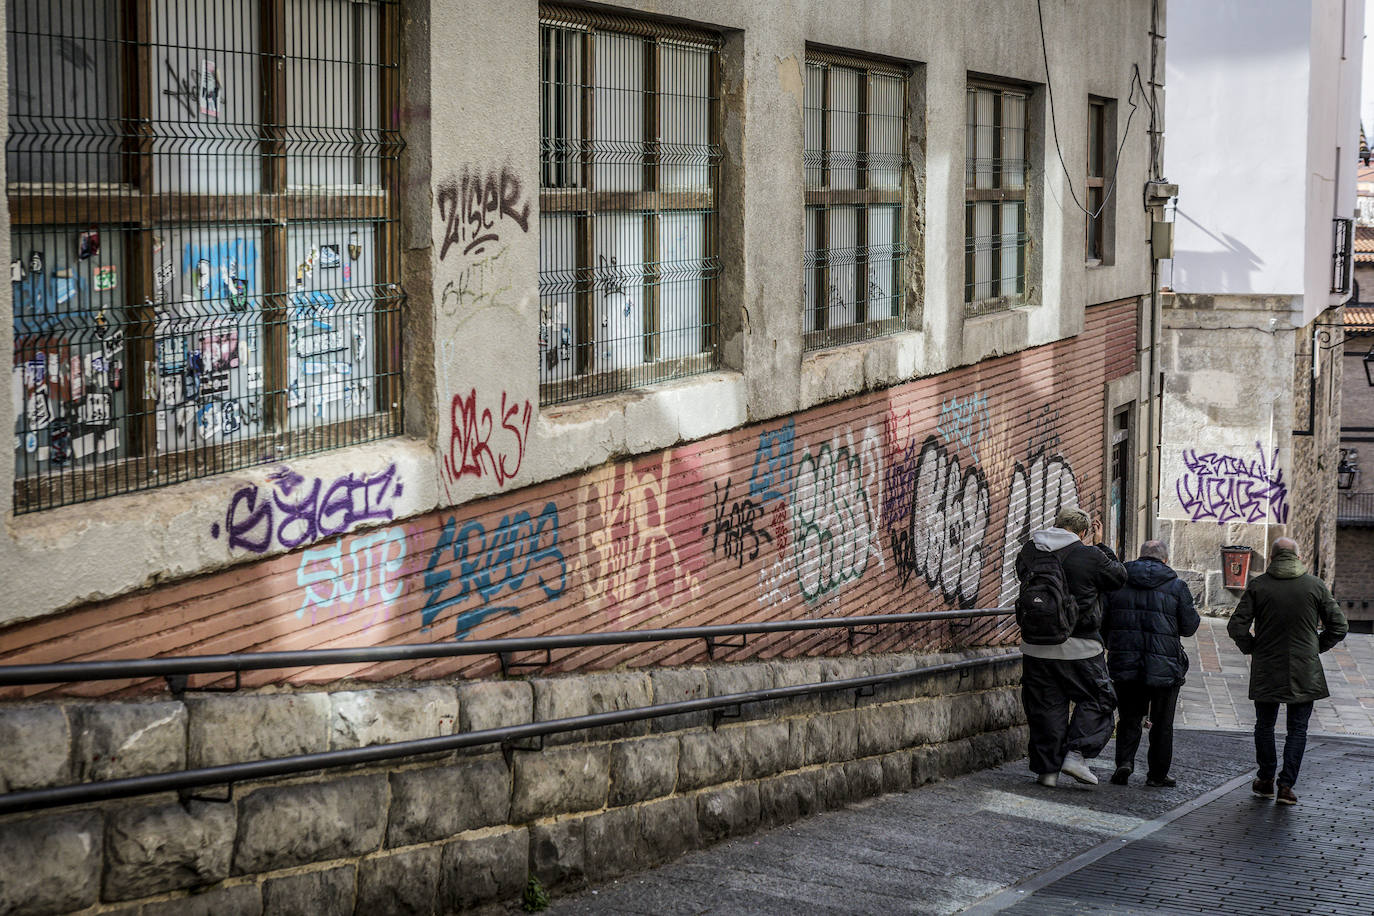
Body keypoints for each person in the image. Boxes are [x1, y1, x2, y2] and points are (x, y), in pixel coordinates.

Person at [1227, 538, 1348, 805]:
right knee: (1298, 730)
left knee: (1265, 725)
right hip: (1304, 670)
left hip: (1268, 666)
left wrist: (1252, 648)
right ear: (1298, 557)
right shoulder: (1315, 586)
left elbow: (1236, 626)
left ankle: (1266, 779)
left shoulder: (1259, 586)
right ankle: (1286, 786)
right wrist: (1315, 648)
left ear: (1271, 558)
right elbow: (1339, 627)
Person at [1016, 506, 1127, 787]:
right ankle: (1076, 755)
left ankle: (1047, 772)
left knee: (1046, 707)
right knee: (1100, 699)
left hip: (1035, 646)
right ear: (1082, 532)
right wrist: (1101, 545)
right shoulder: (1090, 555)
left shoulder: (1030, 551)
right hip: (1081, 646)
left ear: (1056, 524)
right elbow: (1118, 577)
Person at [1101, 540, 1200, 788]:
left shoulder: (1119, 583)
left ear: (1140, 556)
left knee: (1129, 716)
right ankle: (1157, 775)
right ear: (1165, 560)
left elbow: (1103, 623)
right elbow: (1189, 627)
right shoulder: (1177, 586)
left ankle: (1124, 763)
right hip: (1164, 666)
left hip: (1125, 662)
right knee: (1162, 723)